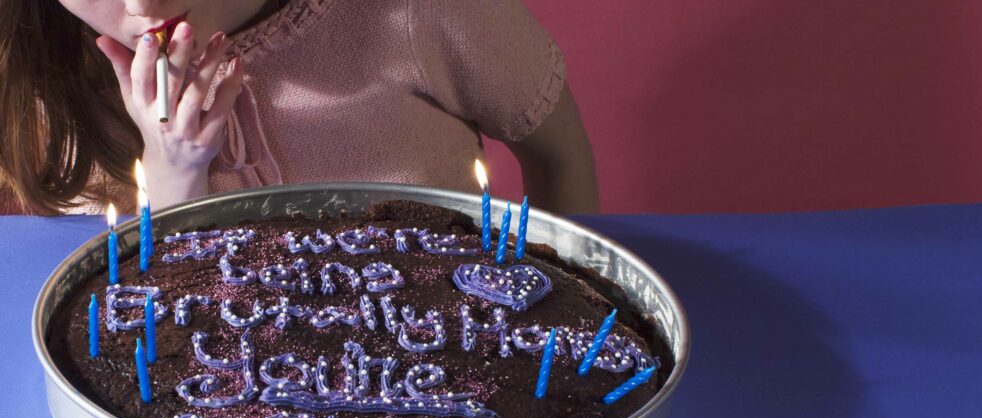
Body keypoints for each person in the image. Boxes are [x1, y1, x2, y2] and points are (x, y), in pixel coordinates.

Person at [0, 0, 599, 215]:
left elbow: (560, 155)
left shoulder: (423, 9)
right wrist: (174, 172)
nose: (144, 4)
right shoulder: (51, 82)